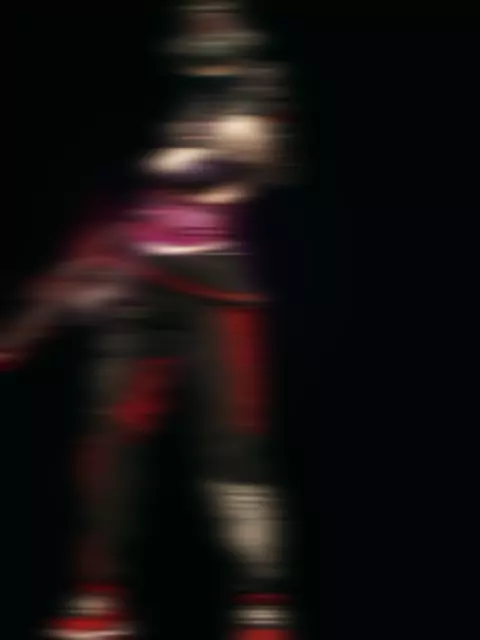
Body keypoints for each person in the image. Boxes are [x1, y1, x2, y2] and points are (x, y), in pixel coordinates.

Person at [2, 2, 297, 638]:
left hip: (216, 289)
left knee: (232, 446)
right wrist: (22, 333)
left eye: (215, 24)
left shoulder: (257, 89)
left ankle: (261, 598)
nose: (203, 34)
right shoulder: (153, 103)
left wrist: (208, 152)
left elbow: (259, 160)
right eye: (197, 24)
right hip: (140, 276)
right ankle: (100, 591)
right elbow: (103, 233)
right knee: (109, 437)